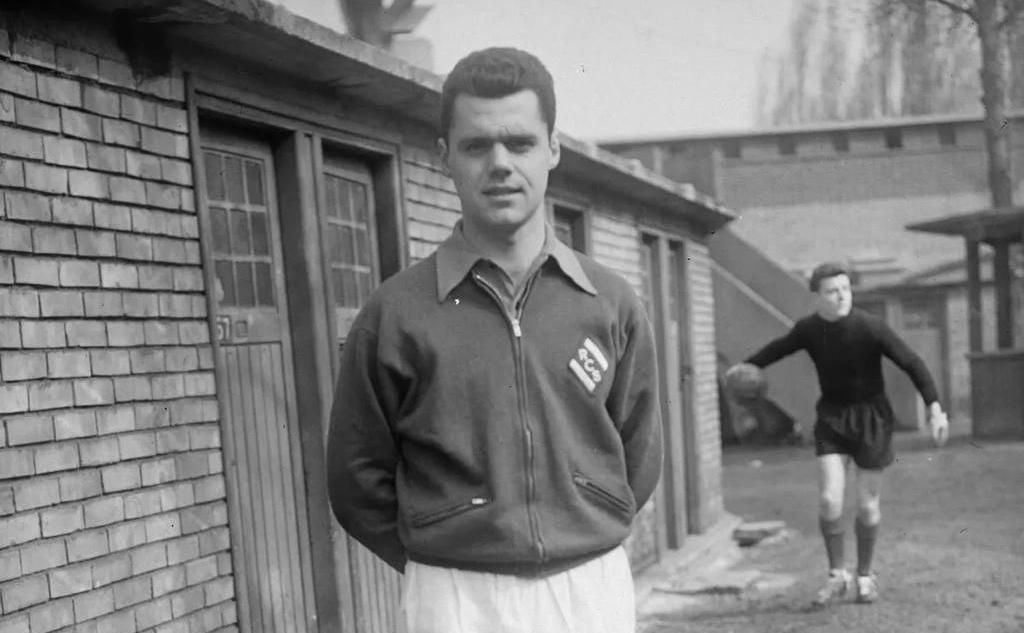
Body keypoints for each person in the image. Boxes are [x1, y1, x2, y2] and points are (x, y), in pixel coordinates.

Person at [326, 47, 662, 633]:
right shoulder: (396, 312)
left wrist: (583, 524)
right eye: (477, 146)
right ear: (445, 157)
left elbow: (639, 452)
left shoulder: (609, 302)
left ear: (553, 149)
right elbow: (357, 479)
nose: (500, 164)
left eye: (521, 143)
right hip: (456, 595)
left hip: (587, 587)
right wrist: (441, 552)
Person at [727, 261, 948, 606]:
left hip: (872, 418)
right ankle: (836, 576)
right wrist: (746, 366)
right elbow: (778, 349)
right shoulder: (809, 330)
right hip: (832, 417)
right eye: (832, 291)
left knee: (867, 506)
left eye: (845, 289)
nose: (842, 296)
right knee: (830, 500)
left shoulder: (870, 327)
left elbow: (912, 363)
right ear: (817, 296)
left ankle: (865, 576)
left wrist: (934, 407)